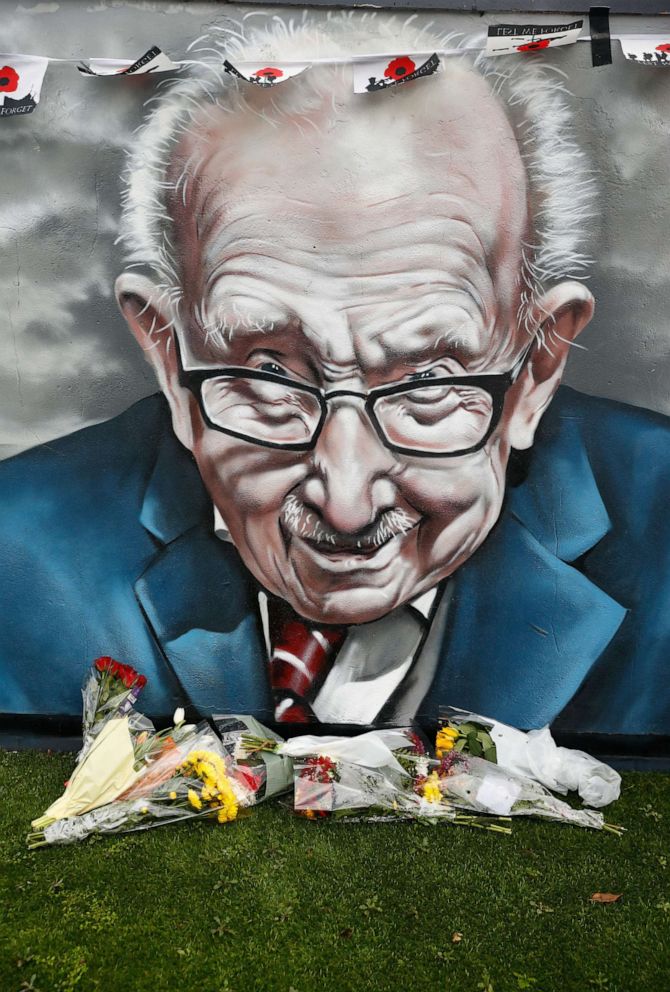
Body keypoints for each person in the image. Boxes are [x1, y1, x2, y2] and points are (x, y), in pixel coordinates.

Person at [1, 16, 669, 736]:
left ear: (537, 366)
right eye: (268, 374)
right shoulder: (20, 555)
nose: (346, 504)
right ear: (169, 354)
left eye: (428, 381)